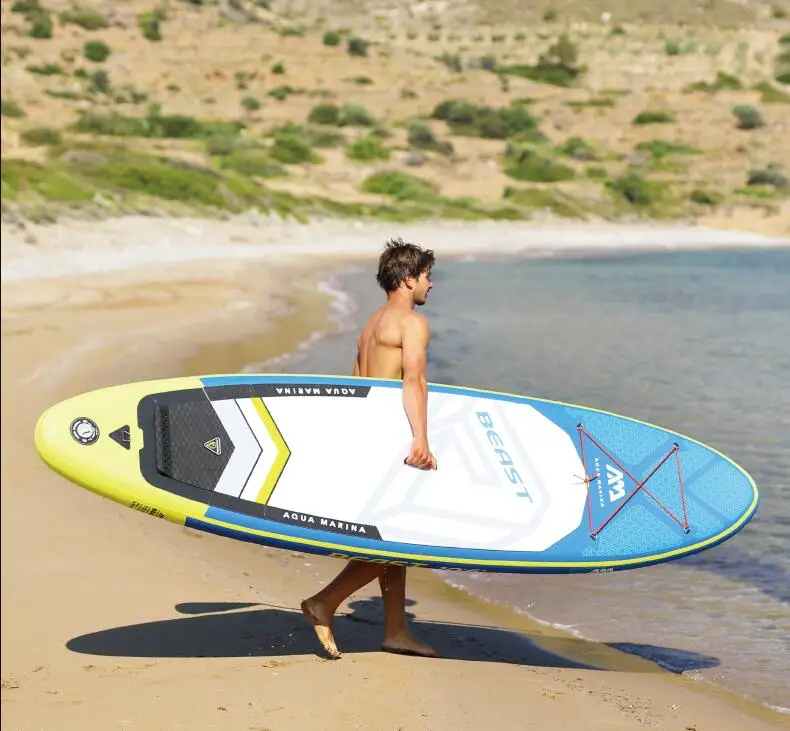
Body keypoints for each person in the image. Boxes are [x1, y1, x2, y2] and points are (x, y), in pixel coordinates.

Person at [300, 237, 439, 659]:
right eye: (427, 276)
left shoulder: (371, 325)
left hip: (367, 435)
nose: (431, 285)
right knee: (397, 539)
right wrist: (420, 438)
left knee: (393, 538)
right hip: (392, 437)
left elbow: (355, 385)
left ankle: (395, 631)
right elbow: (413, 381)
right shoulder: (412, 324)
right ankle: (324, 602)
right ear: (408, 278)